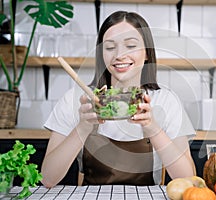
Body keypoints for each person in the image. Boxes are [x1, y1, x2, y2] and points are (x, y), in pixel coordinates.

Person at [41, 11, 196, 188]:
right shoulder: (76, 100)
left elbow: (188, 179)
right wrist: (82, 128)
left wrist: (153, 128)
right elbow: (47, 179)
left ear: (147, 53)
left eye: (131, 46)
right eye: (109, 47)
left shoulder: (166, 101)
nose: (119, 55)